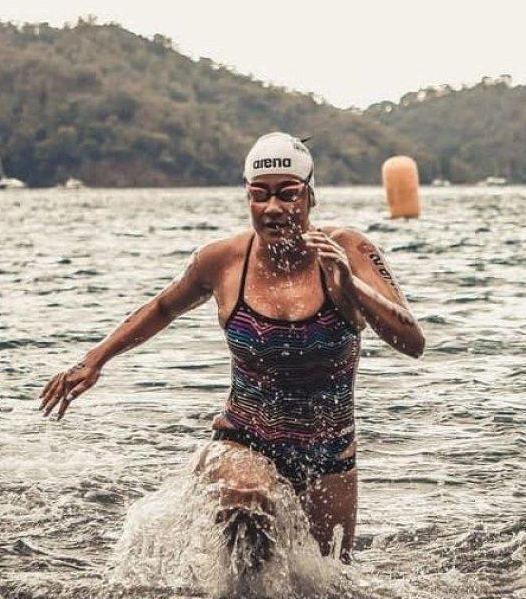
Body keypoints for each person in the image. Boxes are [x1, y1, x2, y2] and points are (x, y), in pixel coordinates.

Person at [39, 132, 424, 566]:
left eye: (288, 194)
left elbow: (412, 342)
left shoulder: (349, 250)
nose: (274, 208)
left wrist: (348, 285)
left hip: (330, 453)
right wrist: (95, 360)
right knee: (247, 498)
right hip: (244, 439)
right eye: (259, 196)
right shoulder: (221, 260)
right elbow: (164, 306)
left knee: (330, 581)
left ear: (311, 196)